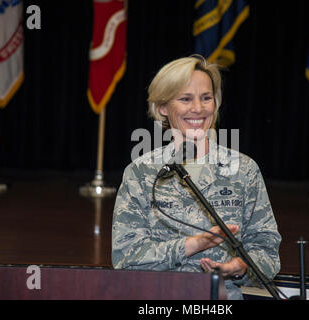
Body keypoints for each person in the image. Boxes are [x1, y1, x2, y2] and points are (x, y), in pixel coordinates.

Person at [111, 55, 281, 300]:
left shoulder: (244, 170)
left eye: (206, 98)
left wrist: (239, 267)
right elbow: (125, 259)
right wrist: (192, 245)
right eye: (185, 99)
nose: (198, 109)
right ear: (162, 107)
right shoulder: (140, 172)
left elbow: (267, 251)